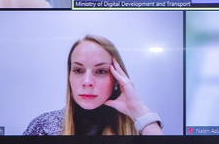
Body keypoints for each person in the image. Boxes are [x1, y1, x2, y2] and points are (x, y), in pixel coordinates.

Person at [23, 35, 164, 136]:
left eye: (101, 71)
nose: (87, 82)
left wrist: (139, 111)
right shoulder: (43, 126)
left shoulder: (139, 128)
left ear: (117, 79)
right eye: (78, 70)